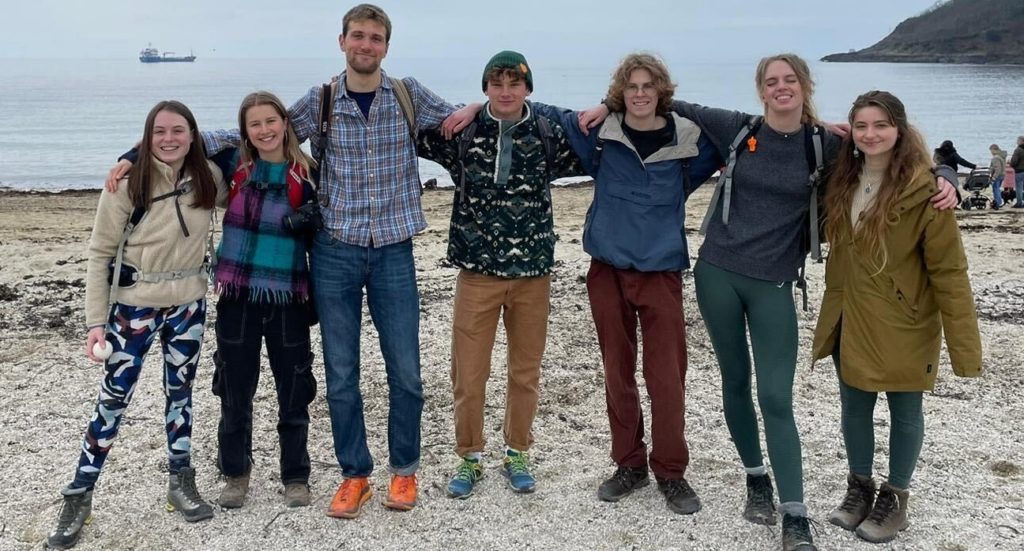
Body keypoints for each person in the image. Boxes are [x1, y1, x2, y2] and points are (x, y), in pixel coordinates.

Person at [575, 52, 958, 551]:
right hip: (717, 274)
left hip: (775, 282)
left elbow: (887, 153)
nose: (781, 87)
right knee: (734, 383)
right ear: (761, 90)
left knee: (775, 397)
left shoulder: (826, 143)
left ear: (804, 84)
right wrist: (608, 105)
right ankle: (756, 479)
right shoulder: (737, 128)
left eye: (789, 79)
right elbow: (668, 102)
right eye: (771, 81)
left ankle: (794, 515)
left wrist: (945, 171)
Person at [106, 4, 463, 518]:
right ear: (341, 42)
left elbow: (457, 121)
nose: (366, 45)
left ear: (386, 45)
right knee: (341, 373)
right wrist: (138, 152)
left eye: (375, 38)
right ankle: (354, 474)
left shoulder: (407, 94)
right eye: (357, 36)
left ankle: (404, 471)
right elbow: (248, 133)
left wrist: (476, 110)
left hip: (394, 251)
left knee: (405, 370)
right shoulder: (319, 101)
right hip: (335, 253)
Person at [525, 53, 721, 516]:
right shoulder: (601, 137)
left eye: (648, 86)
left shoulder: (690, 142)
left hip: (661, 272)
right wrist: (476, 108)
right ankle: (629, 464)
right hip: (607, 270)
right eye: (631, 86)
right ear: (620, 91)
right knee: (617, 370)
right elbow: (542, 112)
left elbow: (742, 134)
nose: (639, 94)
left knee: (667, 378)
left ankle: (671, 471)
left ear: (661, 91)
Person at [47, 101, 222, 550]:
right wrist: (94, 322)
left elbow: (245, 147)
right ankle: (79, 494)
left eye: (178, 130)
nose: (169, 139)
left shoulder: (209, 178)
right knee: (112, 401)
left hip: (188, 307)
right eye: (159, 131)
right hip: (132, 310)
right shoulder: (126, 183)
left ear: (192, 135)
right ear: (146, 137)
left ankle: (181, 480)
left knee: (180, 397)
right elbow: (100, 253)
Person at [812, 90, 982, 544]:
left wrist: (966, 351)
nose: (871, 135)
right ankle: (859, 487)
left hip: (906, 318)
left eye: (881, 125)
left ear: (900, 130)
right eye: (862, 126)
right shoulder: (841, 179)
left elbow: (950, 271)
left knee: (905, 411)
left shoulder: (927, 190)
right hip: (849, 312)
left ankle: (897, 497)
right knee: (854, 408)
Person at [416, 51, 583, 498]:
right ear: (485, 87)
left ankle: (517, 452)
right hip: (477, 274)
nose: (506, 91)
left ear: (528, 88)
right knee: (468, 377)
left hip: (533, 274)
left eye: (515, 83)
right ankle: (469, 457)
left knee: (524, 372)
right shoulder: (463, 133)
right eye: (496, 83)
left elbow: (596, 140)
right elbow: (405, 128)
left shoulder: (548, 133)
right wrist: (462, 109)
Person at [210, 92, 318, 509]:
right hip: (237, 294)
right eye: (255, 124)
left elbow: (322, 235)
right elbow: (186, 143)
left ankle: (296, 476)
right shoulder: (233, 166)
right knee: (234, 390)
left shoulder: (306, 173)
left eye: (271, 121)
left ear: (285, 123)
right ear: (245, 132)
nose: (265, 130)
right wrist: (130, 158)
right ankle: (235, 473)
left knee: (294, 390)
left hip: (289, 295)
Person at [988, 144, 1007, 209]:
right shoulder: (1002, 156)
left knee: (995, 189)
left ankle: (998, 202)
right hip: (1002, 174)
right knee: (997, 189)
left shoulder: (996, 158)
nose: (991, 153)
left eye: (991, 151)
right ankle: (998, 202)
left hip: (998, 175)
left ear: (994, 150)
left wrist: (994, 177)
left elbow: (997, 168)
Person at [1009, 135, 1024, 207]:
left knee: (1019, 188)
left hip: (1020, 171)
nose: (1017, 142)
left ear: (1021, 141)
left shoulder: (1018, 150)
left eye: (1018, 140)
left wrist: (1011, 164)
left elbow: (1014, 161)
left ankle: (1019, 203)